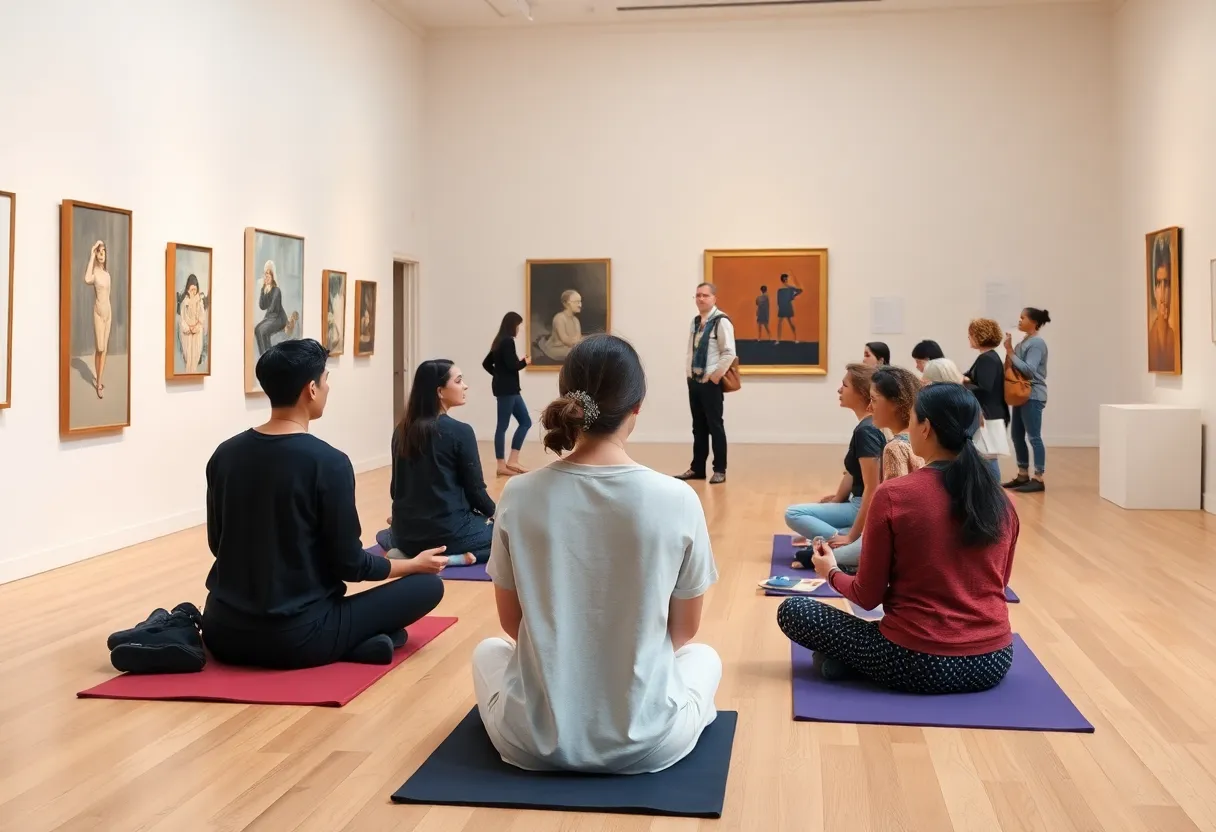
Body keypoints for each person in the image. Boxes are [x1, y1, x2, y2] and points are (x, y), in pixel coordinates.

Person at [473, 334, 722, 774]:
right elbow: (683, 631)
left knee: (488, 651)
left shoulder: (519, 493)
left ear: (566, 398)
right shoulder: (677, 498)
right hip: (648, 743)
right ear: (637, 406)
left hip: (531, 742)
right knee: (704, 658)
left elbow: (512, 624)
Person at [201, 339, 446, 669]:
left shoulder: (224, 454)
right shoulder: (329, 462)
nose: (328, 388)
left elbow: (218, 544)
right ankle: (354, 642)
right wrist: (413, 565)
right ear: (311, 389)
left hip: (222, 633)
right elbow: (351, 565)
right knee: (428, 586)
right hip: (298, 637)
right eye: (326, 380)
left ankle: (361, 642)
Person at [777, 382, 1018, 694]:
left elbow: (866, 596)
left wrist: (831, 572)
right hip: (993, 661)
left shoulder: (894, 494)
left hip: (916, 661)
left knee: (794, 610)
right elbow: (999, 583)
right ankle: (850, 663)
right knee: (880, 634)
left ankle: (850, 663)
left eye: (913, 418)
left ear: (925, 428)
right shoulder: (1003, 500)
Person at [380, 360, 496, 566]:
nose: (465, 386)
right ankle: (454, 559)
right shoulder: (461, 431)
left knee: (384, 535)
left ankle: (409, 552)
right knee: (512, 535)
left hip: (406, 536)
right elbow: (476, 492)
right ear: (440, 391)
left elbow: (395, 490)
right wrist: (498, 515)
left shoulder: (401, 430)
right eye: (459, 381)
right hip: (449, 534)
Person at [785, 363, 885, 564]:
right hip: (856, 503)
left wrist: (851, 537)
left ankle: (844, 542)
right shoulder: (866, 426)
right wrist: (837, 498)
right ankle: (843, 539)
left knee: (793, 513)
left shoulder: (866, 431)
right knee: (818, 511)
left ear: (862, 393)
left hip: (861, 506)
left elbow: (873, 488)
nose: (839, 390)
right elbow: (852, 473)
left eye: (845, 386)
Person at [828, 366, 925, 571]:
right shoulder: (916, 440)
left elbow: (893, 511)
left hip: (903, 542)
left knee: (819, 556)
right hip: (917, 534)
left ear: (895, 403)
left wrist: (860, 537)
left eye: (874, 400)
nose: (869, 407)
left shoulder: (896, 447)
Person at [676, 282, 736, 485]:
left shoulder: (721, 321)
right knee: (698, 427)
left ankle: (719, 470)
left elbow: (729, 353)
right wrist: (688, 374)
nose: (701, 299)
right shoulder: (695, 321)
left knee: (715, 426)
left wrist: (715, 376)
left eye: (705, 295)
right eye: (698, 295)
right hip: (694, 381)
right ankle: (697, 468)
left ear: (714, 298)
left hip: (710, 382)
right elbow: (691, 350)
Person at [1003, 308, 1050, 493]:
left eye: (1023, 318)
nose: (1019, 320)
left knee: (1034, 436)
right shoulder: (1025, 341)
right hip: (1022, 394)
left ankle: (1038, 477)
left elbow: (1029, 370)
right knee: (1016, 435)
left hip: (1033, 395)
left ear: (1034, 322)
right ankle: (1023, 474)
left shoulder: (1037, 343)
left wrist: (1009, 351)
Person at [482, 311, 533, 477]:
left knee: (525, 421)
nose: (519, 329)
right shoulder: (507, 341)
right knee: (502, 426)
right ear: (512, 325)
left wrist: (498, 375)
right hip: (507, 390)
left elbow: (486, 364)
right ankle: (501, 465)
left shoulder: (499, 341)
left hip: (510, 389)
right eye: (518, 325)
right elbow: (513, 366)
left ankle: (512, 460)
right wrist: (525, 362)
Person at [963, 318, 1009, 482]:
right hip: (991, 412)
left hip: (989, 414)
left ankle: (994, 490)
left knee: (988, 457)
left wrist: (962, 382)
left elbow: (983, 387)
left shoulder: (987, 359)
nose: (969, 338)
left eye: (970, 334)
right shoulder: (989, 357)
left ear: (979, 335)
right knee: (987, 456)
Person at [83, 240, 112, 398]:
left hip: (108, 314)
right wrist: (91, 253)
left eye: (103, 252)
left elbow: (107, 296)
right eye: (98, 252)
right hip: (98, 314)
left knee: (105, 349)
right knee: (99, 348)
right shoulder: (94, 273)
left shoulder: (107, 275)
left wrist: (108, 312)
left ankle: (99, 382)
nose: (101, 255)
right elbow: (87, 279)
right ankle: (97, 379)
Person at [1147, 234, 1177, 372]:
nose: (1163, 292)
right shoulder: (1151, 338)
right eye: (1159, 283)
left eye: (1167, 283)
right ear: (1154, 290)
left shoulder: (1174, 339)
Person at [536, 289, 583, 362]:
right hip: (557, 349)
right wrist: (578, 341)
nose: (580, 305)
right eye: (577, 302)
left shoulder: (576, 320)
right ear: (566, 304)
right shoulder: (559, 318)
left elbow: (578, 338)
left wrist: (579, 341)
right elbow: (565, 340)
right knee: (580, 353)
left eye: (580, 302)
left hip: (571, 348)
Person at [775, 273, 802, 342]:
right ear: (784, 280)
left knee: (790, 323)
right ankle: (778, 339)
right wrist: (793, 295)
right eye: (785, 279)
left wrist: (793, 295)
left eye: (786, 279)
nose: (786, 280)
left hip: (786, 307)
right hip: (783, 307)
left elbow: (800, 291)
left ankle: (795, 338)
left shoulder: (789, 288)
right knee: (780, 323)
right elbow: (778, 300)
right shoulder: (781, 289)